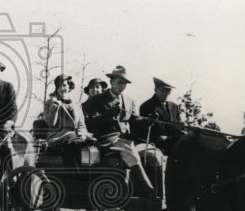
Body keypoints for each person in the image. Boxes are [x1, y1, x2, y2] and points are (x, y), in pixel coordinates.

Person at [84, 65, 158, 199]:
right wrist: (108, 115)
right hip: (106, 140)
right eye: (119, 82)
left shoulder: (129, 101)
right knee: (131, 153)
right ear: (111, 82)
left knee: (152, 153)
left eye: (124, 83)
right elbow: (90, 124)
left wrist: (149, 120)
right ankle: (147, 190)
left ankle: (155, 194)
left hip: (126, 139)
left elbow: (135, 121)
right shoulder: (97, 100)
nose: (121, 86)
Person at [138, 77, 184, 155]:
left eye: (168, 91)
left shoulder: (174, 107)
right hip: (157, 143)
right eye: (163, 90)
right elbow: (146, 130)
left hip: (175, 140)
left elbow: (178, 126)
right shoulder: (147, 106)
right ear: (155, 90)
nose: (166, 94)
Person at [43, 74, 92, 146]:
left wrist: (82, 134)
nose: (62, 88)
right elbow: (51, 123)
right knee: (73, 138)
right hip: (57, 137)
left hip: (75, 137)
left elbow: (81, 125)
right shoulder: (50, 103)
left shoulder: (76, 104)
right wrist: (54, 106)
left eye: (64, 85)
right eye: (59, 86)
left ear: (69, 87)